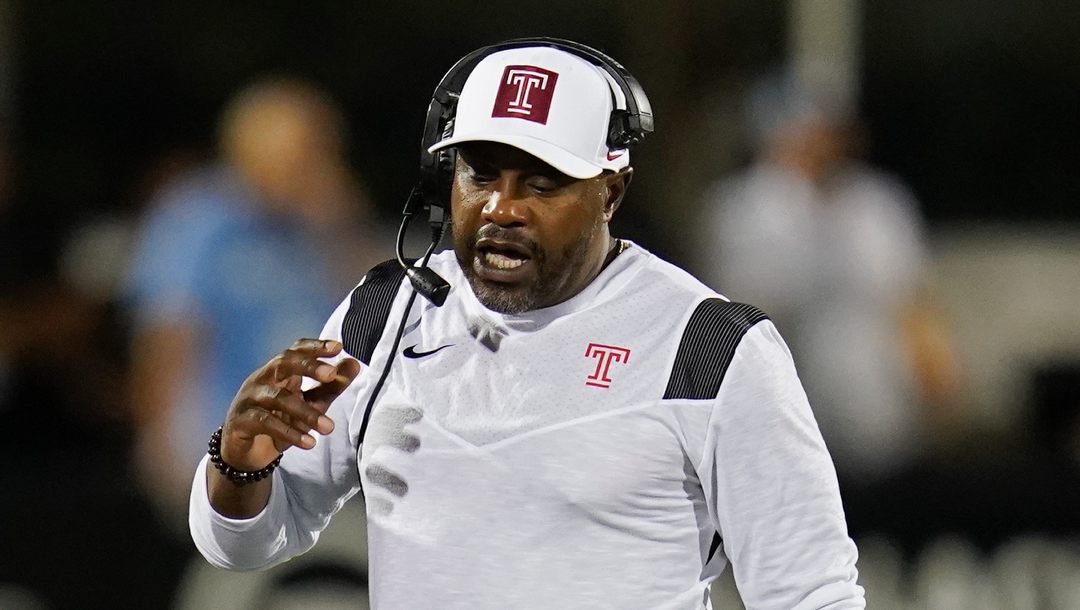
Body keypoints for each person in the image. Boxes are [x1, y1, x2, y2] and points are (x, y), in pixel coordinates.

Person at [189, 41, 864, 608]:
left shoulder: (708, 348)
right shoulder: (385, 314)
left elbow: (811, 595)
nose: (501, 208)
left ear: (611, 191)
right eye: (480, 175)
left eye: (541, 183)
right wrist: (238, 465)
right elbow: (246, 541)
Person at [126, 77, 390, 521]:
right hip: (220, 454)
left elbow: (379, 316)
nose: (320, 164)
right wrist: (162, 440)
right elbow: (166, 337)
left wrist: (343, 224)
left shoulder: (321, 225)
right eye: (306, 150)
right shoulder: (199, 218)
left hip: (318, 455)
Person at [696, 70, 961, 485]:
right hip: (781, 414)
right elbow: (735, 314)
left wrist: (936, 382)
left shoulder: (878, 203)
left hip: (876, 411)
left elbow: (912, 302)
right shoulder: (742, 209)